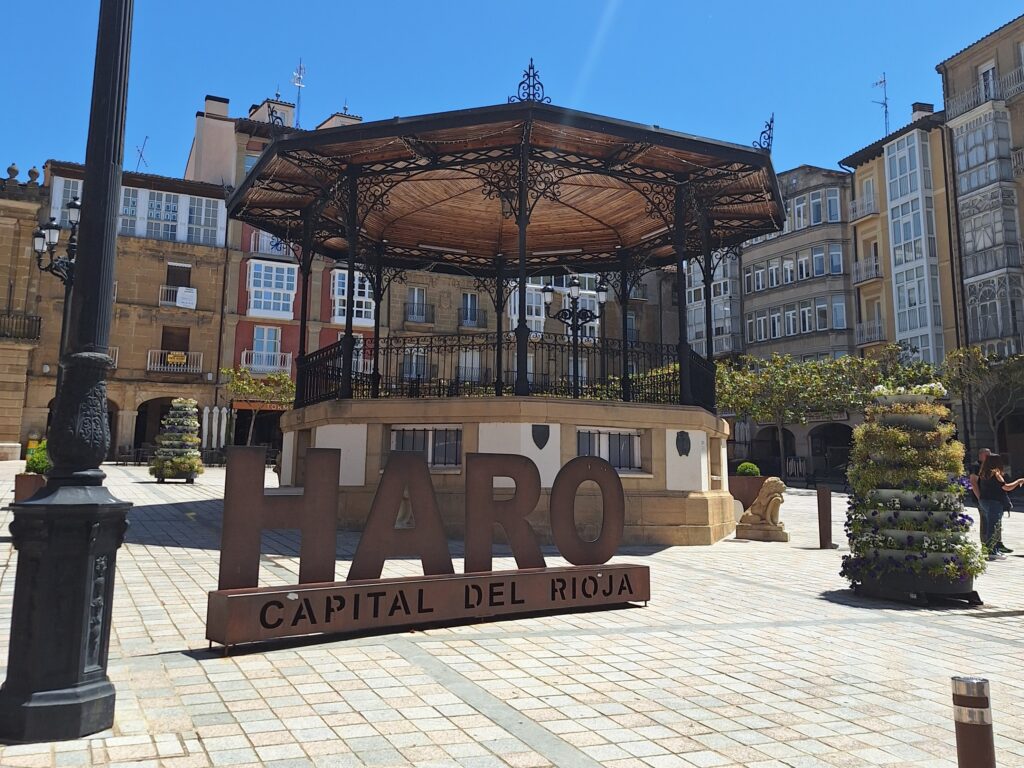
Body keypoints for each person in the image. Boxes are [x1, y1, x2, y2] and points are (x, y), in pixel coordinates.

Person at [977, 453, 1022, 560]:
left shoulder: (983, 473)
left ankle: (993, 549)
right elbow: (1006, 487)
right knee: (994, 527)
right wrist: (1018, 481)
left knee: (990, 525)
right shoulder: (996, 474)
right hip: (994, 502)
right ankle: (992, 550)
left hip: (984, 501)